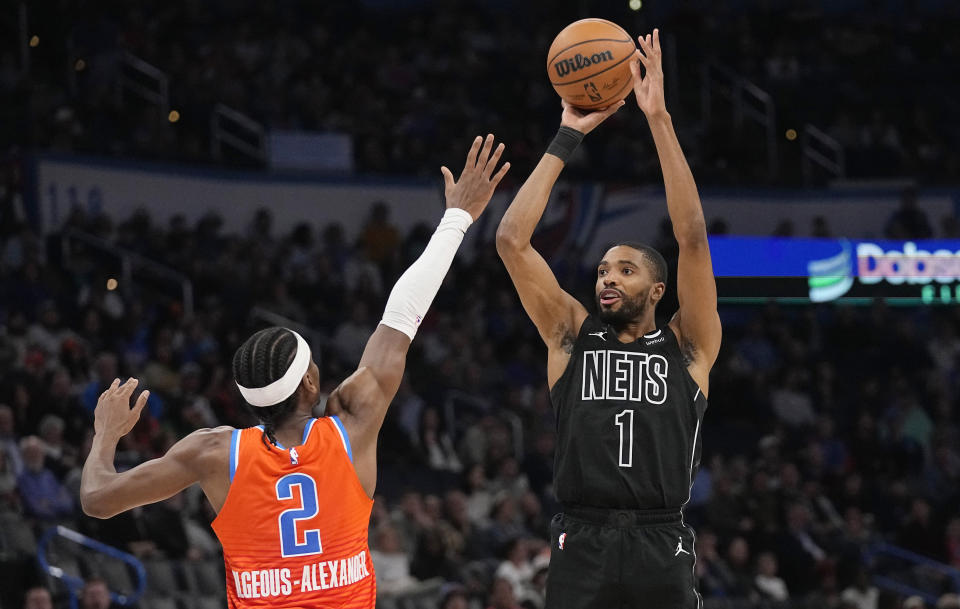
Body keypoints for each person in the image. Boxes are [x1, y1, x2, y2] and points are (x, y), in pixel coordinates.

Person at [79, 135, 511, 608]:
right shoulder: (353, 425)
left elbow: (98, 500)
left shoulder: (212, 452)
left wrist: (106, 433)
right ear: (309, 382)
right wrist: (457, 219)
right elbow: (400, 316)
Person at [496, 29, 721, 609]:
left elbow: (692, 236)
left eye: (624, 270)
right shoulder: (571, 334)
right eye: (601, 271)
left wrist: (659, 120)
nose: (607, 279)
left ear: (658, 288)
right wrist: (568, 134)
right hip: (582, 538)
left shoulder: (689, 346)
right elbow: (511, 240)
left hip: (660, 538)